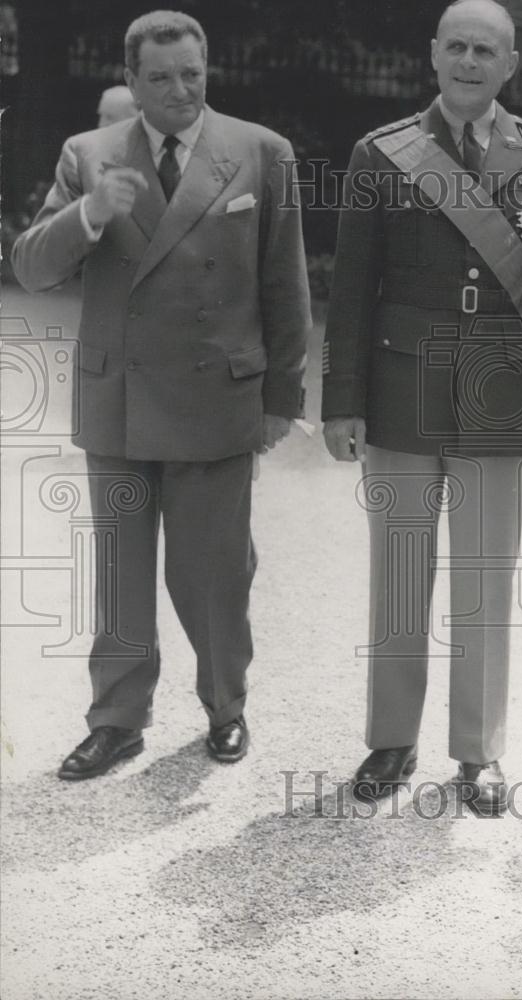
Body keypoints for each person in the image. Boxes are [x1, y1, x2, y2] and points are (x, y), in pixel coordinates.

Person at [13, 10, 311, 779]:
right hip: (119, 400)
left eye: (192, 74)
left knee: (213, 573)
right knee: (120, 571)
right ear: (131, 81)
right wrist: (89, 215)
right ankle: (116, 720)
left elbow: (286, 286)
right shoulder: (90, 155)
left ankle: (225, 706)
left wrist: (282, 396)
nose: (179, 90)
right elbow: (32, 268)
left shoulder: (259, 151)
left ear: (207, 70)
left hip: (219, 398)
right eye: (160, 78)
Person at [322, 0, 522, 815]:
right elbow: (349, 290)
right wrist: (342, 401)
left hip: (501, 398)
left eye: (487, 51)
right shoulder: (381, 153)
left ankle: (477, 753)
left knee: (483, 581)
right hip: (401, 394)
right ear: (434, 56)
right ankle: (390, 741)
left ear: (510, 66)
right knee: (399, 576)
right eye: (458, 47)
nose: (471, 62)